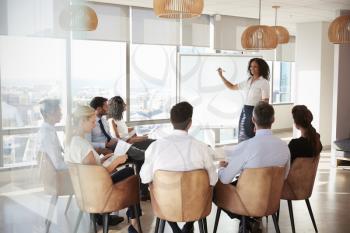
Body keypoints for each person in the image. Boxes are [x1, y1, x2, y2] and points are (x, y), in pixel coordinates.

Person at [140, 101, 218, 233]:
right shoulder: (202, 148)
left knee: (157, 189)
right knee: (204, 190)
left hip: (165, 205)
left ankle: (176, 229)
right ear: (190, 123)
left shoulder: (155, 147)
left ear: (171, 121)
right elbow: (213, 180)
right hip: (196, 206)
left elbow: (144, 178)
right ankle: (188, 226)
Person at [64, 105, 141, 232]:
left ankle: (134, 221)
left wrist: (103, 159)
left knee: (127, 173)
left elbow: (88, 169)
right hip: (99, 194)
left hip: (85, 193)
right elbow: (96, 176)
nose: (94, 125)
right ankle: (134, 223)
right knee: (129, 173)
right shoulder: (83, 145)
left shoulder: (71, 142)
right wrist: (116, 161)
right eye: (92, 121)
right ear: (82, 121)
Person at [218, 101, 290, 232]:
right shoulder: (284, 147)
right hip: (271, 200)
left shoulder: (245, 146)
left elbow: (225, 179)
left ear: (252, 119)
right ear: (273, 120)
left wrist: (221, 168)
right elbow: (284, 176)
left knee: (215, 189)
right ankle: (252, 221)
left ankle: (248, 221)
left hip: (246, 201)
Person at [88, 96, 149, 200]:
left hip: (115, 145)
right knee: (141, 155)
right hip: (107, 150)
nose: (108, 107)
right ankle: (148, 154)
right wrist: (104, 144)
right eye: (106, 106)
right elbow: (88, 144)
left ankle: (143, 193)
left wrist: (115, 140)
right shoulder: (91, 123)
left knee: (140, 158)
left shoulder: (103, 120)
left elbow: (111, 136)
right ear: (98, 108)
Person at [217, 58, 270, 143]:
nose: (252, 68)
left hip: (256, 112)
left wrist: (259, 121)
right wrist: (221, 76)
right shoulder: (248, 81)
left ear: (261, 68)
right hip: (245, 111)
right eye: (251, 66)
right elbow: (232, 87)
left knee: (252, 136)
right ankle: (243, 154)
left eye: (255, 66)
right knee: (242, 135)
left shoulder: (264, 82)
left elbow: (265, 102)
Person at [37, 99, 67, 170]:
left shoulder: (50, 129)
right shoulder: (47, 134)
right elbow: (57, 165)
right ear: (49, 114)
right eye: (59, 111)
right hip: (57, 175)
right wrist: (75, 166)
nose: (61, 114)